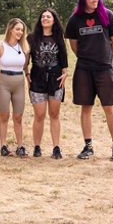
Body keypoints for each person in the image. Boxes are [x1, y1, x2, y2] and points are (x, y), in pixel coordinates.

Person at [65, 0, 113, 161]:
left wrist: (106, 58)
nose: (95, 0)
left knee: (109, 107)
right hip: (84, 69)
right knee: (86, 107)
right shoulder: (75, 19)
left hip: (105, 68)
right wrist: (87, 57)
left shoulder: (107, 15)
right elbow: (74, 45)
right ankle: (88, 146)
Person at [27, 8, 69, 159]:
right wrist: (26, 74)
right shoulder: (31, 38)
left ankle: (56, 147)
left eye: (48, 17)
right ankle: (37, 147)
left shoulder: (59, 38)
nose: (45, 18)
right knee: (39, 115)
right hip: (37, 79)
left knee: (54, 114)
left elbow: (64, 60)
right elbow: (26, 59)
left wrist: (65, 73)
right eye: (43, 16)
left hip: (55, 80)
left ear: (54, 20)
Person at [0, 18, 30, 156]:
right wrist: (1, 80)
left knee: (18, 116)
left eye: (22, 30)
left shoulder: (24, 48)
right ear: (10, 30)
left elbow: (25, 66)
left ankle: (20, 146)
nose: (20, 32)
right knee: (4, 115)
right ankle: (3, 146)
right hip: (4, 83)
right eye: (17, 29)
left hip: (19, 83)